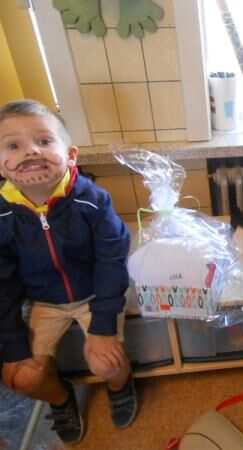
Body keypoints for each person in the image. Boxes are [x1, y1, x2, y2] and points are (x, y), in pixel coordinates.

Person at [0, 100, 135, 444]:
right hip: (42, 302)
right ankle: (61, 400)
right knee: (22, 378)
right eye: (13, 146)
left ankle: (120, 387)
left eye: (44, 141)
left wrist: (103, 327)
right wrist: (13, 343)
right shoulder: (3, 216)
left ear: (71, 155)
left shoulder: (93, 201)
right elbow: (3, 282)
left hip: (94, 294)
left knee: (108, 364)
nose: (30, 151)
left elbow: (112, 259)